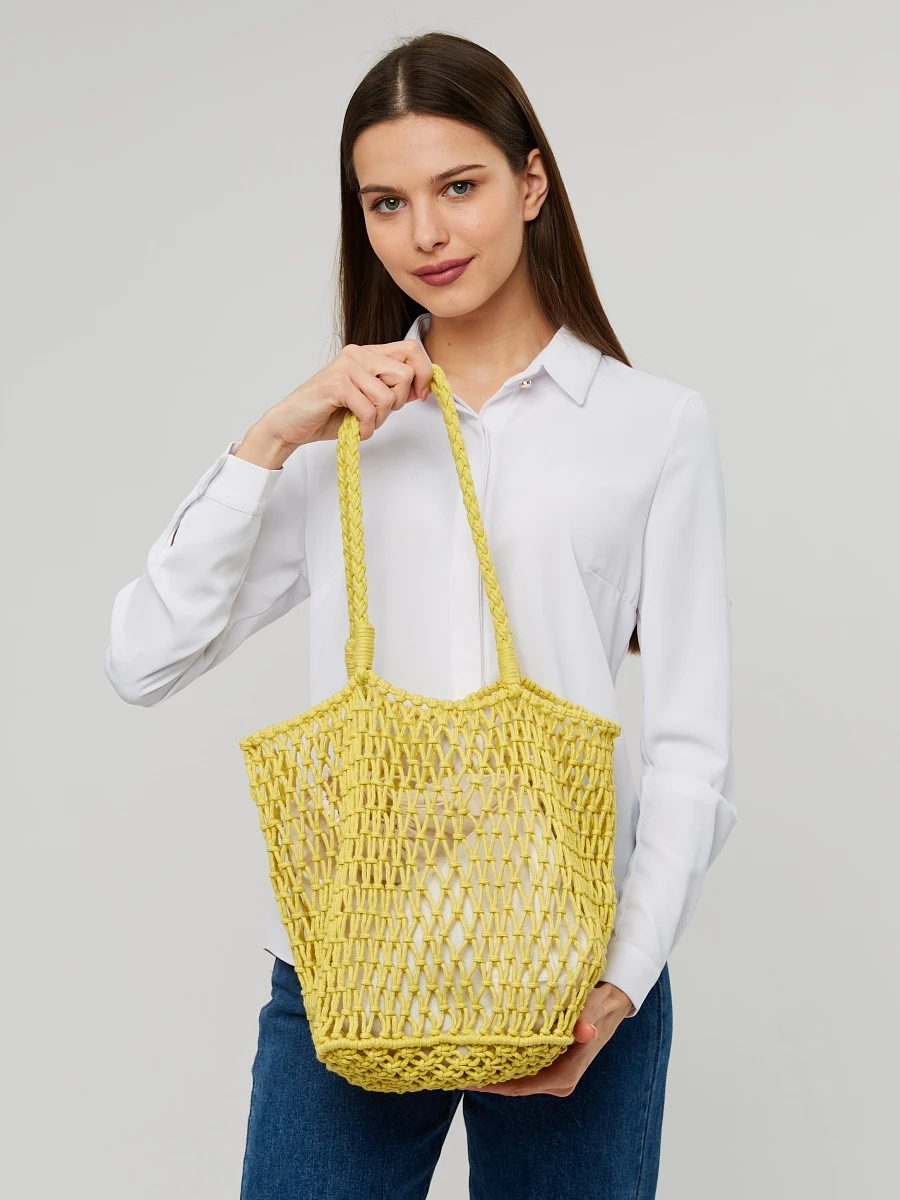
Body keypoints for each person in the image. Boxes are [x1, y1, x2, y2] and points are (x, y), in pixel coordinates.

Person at [104, 30, 736, 1200]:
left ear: (531, 183)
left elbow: (693, 745)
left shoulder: (653, 428)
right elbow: (141, 656)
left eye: (459, 187)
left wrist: (624, 978)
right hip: (350, 958)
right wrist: (271, 436)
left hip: (576, 960)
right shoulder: (340, 433)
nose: (426, 234)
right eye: (386, 203)